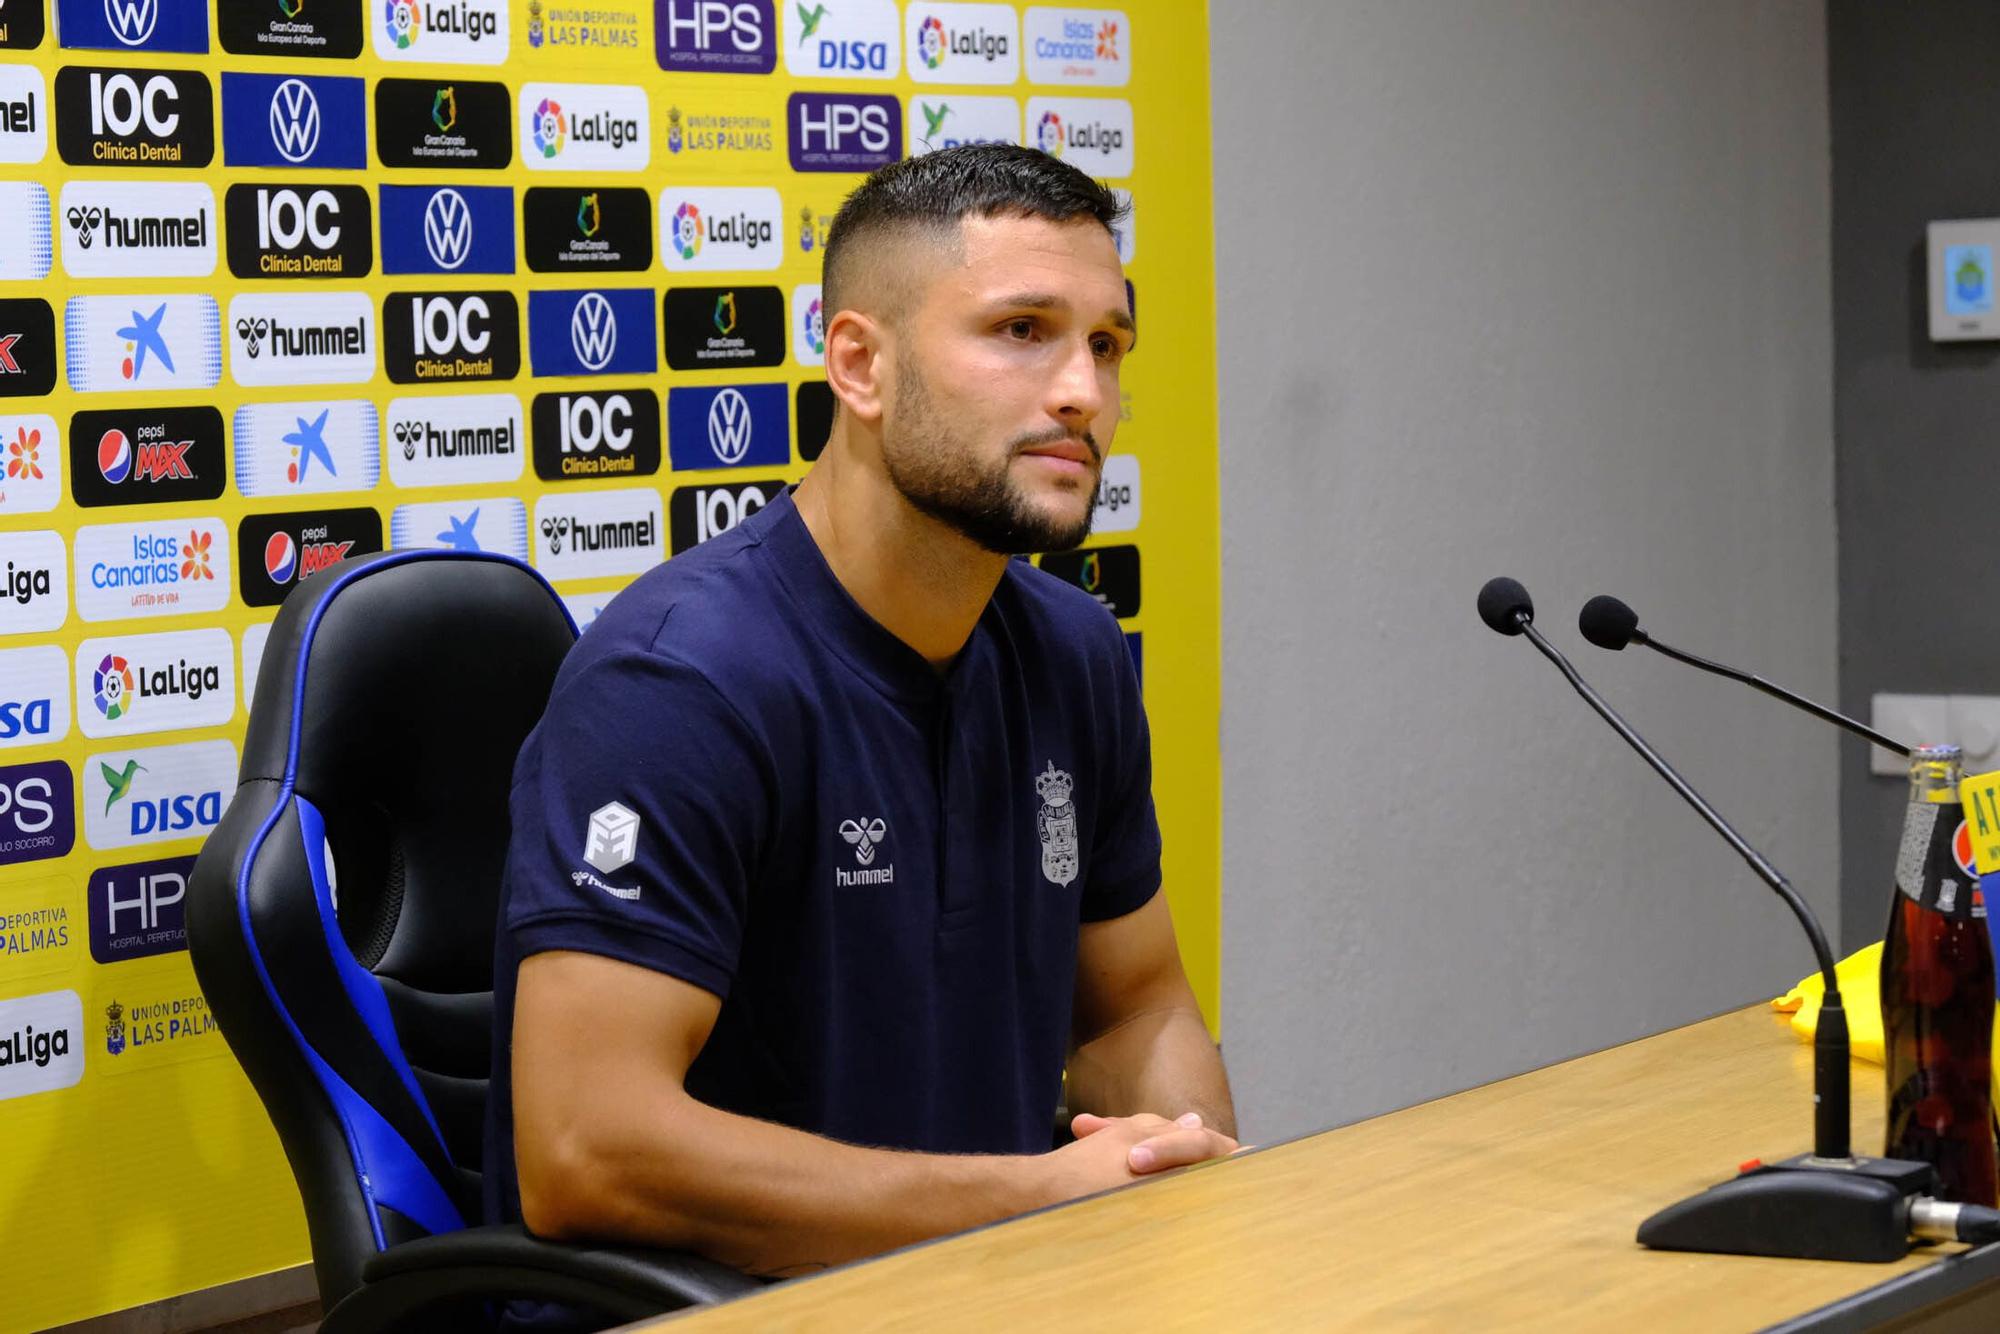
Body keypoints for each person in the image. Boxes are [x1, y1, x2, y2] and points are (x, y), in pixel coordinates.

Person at [486, 144, 1236, 1297]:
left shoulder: (1074, 653)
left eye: (1105, 343)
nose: (1083, 392)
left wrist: (1190, 1194)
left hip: (983, 1285)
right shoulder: (679, 681)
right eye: (1020, 330)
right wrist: (1032, 1202)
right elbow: (585, 1150)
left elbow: (1136, 1004)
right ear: (859, 365)